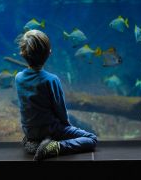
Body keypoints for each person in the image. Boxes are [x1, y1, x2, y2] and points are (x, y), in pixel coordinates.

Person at [15, 29, 97, 161]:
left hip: (29, 131)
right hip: (51, 130)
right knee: (91, 139)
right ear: (49, 53)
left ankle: (33, 143)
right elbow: (60, 108)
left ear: (22, 53)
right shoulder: (51, 80)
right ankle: (55, 147)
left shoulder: (18, 77)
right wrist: (66, 126)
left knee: (39, 133)